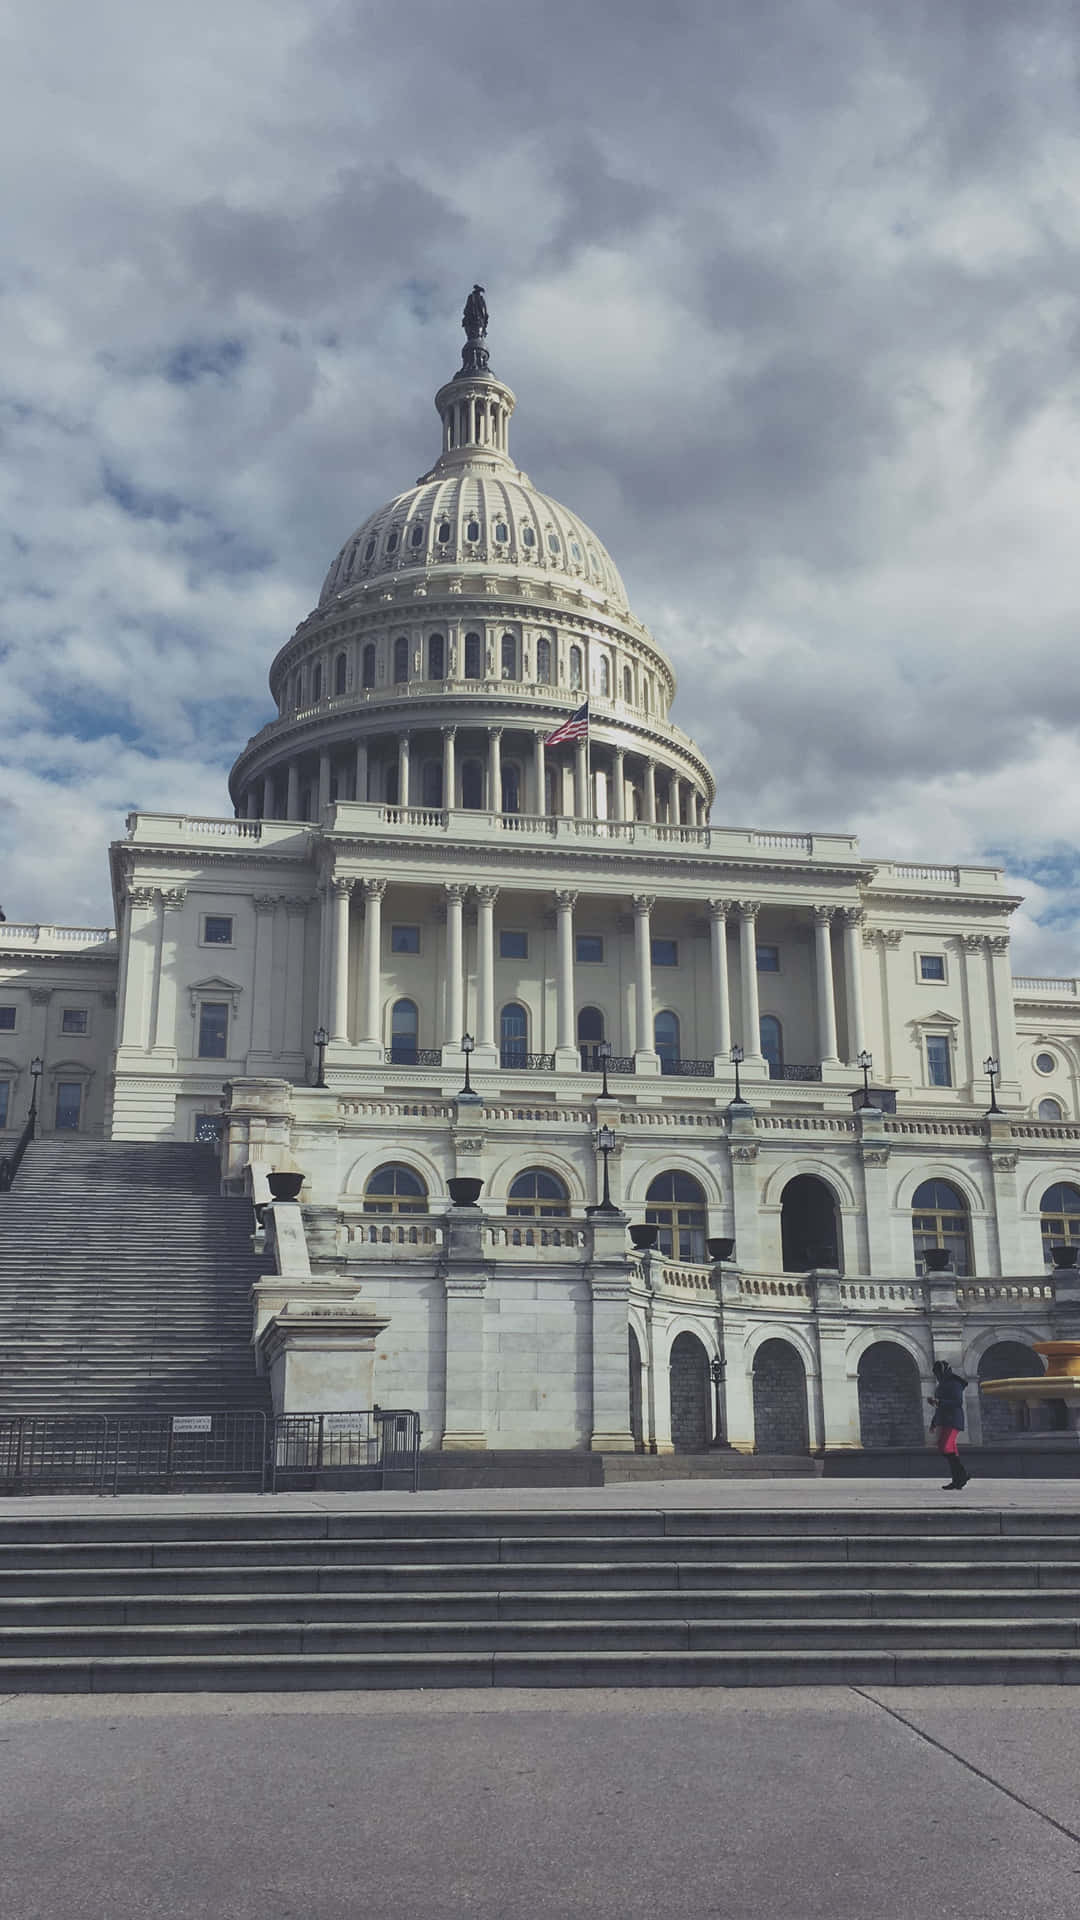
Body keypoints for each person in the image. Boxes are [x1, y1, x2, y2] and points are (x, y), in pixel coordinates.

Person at [929, 1359, 970, 1489]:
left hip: (953, 1420)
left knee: (945, 1447)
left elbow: (957, 1402)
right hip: (945, 1419)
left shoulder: (954, 1383)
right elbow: (939, 1406)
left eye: (938, 1373)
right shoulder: (943, 1384)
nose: (937, 1376)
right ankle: (958, 1480)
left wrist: (939, 1402)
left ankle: (962, 1475)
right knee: (950, 1449)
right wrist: (934, 1422)